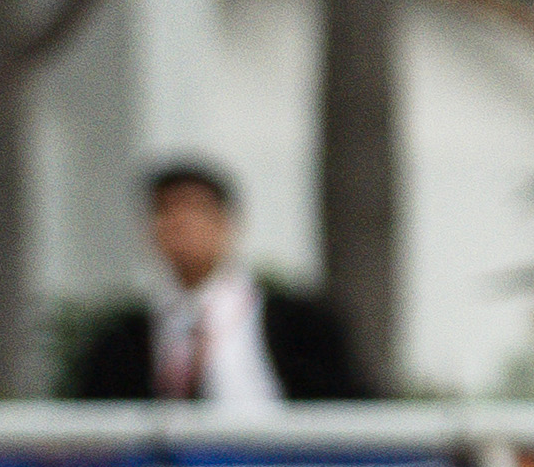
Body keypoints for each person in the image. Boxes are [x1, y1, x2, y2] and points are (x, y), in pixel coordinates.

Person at [59, 159, 376, 408]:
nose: (180, 224)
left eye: (195, 210)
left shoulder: (302, 324)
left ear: (228, 223)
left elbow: (349, 411)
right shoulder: (121, 337)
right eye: (166, 211)